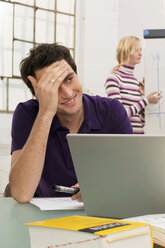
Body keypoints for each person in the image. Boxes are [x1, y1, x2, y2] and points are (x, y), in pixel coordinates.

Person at [9, 43, 133, 203]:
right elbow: (21, 193)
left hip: (103, 208)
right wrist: (45, 113)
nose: (67, 93)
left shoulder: (111, 110)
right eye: (53, 87)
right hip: (43, 218)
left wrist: (102, 187)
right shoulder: (28, 113)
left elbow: (132, 176)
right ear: (36, 93)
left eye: (69, 79)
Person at [105, 36, 162, 134]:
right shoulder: (113, 79)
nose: (140, 53)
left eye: (141, 50)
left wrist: (144, 95)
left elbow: (142, 121)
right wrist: (146, 100)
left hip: (138, 139)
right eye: (136, 50)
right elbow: (119, 116)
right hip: (124, 140)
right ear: (126, 52)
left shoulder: (137, 83)